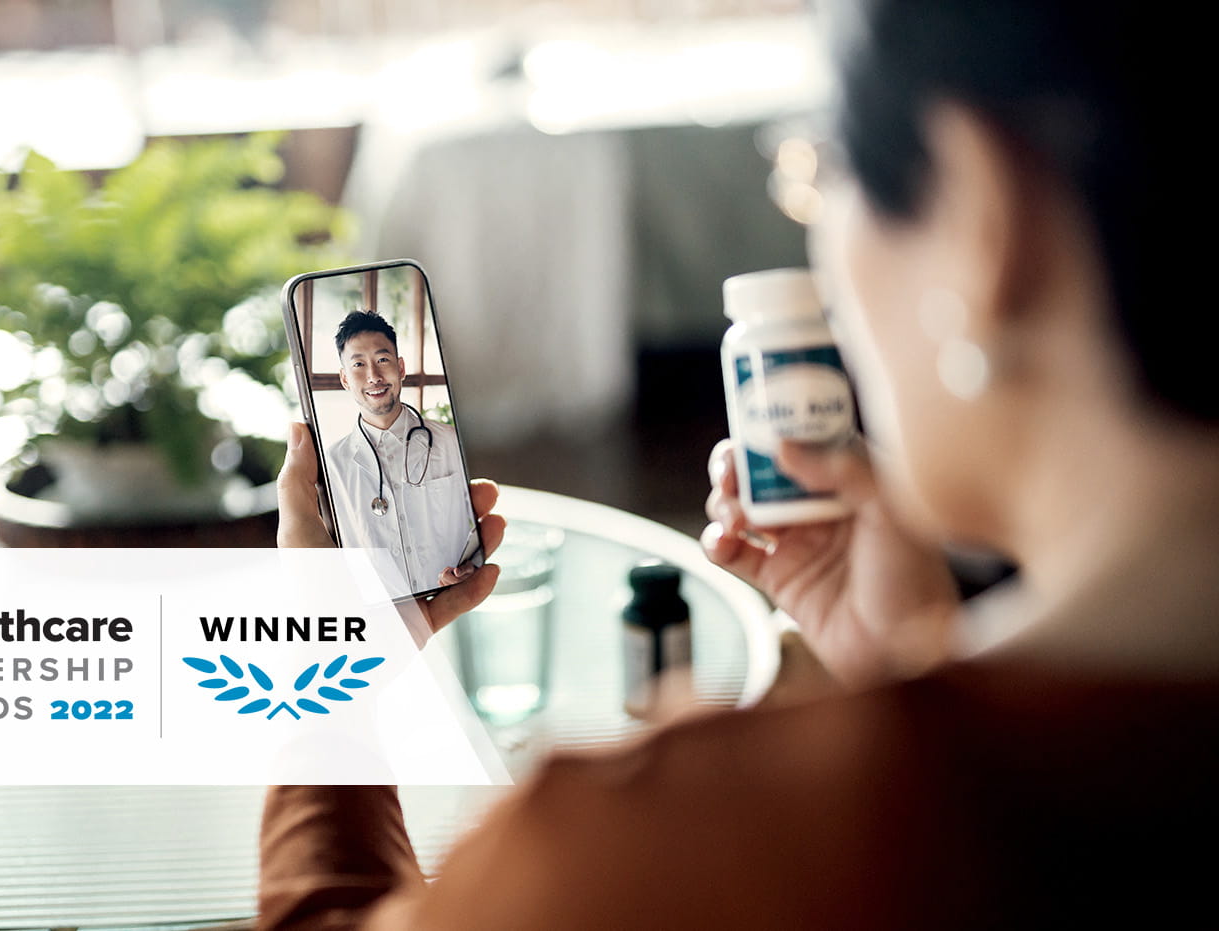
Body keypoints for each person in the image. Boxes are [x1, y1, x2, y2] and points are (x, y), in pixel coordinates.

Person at [263, 0, 1219, 926]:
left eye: (820, 170)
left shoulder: (675, 839)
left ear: (982, 220)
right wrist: (910, 663)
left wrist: (329, 648)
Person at [324, 310, 482, 598]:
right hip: (380, 618)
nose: (373, 376)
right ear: (345, 379)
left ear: (401, 368)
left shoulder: (451, 441)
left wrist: (474, 564)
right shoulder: (331, 465)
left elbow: (482, 524)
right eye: (359, 364)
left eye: (382, 360)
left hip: (454, 602)